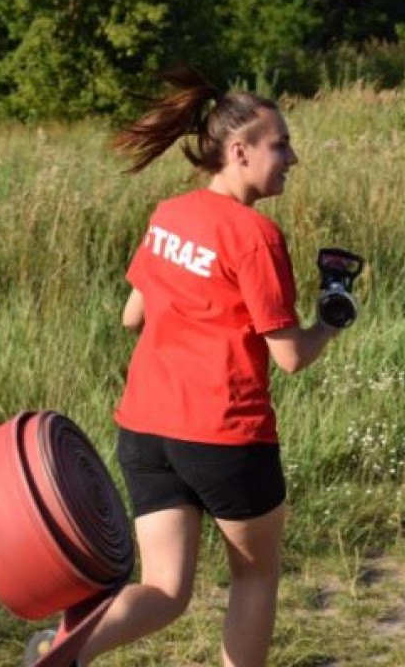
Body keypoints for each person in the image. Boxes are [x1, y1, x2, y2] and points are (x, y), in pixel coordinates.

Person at [25, 66, 346, 667]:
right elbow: (291, 357)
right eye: (281, 145)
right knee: (255, 578)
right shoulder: (256, 235)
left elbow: (131, 315)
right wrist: (330, 322)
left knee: (166, 590)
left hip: (146, 432)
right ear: (239, 151)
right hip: (225, 435)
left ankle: (65, 651)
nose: (292, 157)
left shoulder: (169, 213)